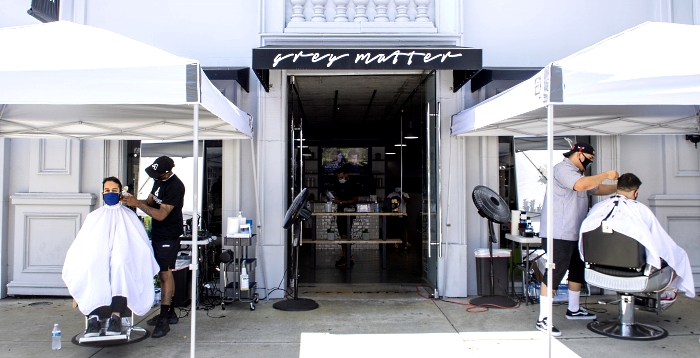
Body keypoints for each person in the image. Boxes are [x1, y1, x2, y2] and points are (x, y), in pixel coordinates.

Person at [537, 142, 618, 336]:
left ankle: (573, 309)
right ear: (579, 154)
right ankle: (543, 319)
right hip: (559, 232)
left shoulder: (580, 174)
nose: (590, 163)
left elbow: (594, 189)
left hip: (575, 232)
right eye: (589, 159)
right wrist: (606, 174)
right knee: (554, 273)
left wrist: (618, 187)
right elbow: (581, 185)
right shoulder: (563, 169)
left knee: (576, 270)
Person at [62, 177, 159, 337]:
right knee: (94, 267)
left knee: (120, 267)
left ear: (121, 193)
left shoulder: (129, 216)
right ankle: (93, 319)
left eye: (114, 191)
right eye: (107, 191)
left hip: (122, 261)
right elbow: (82, 245)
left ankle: (116, 317)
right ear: (102, 193)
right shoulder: (94, 217)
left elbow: (140, 244)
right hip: (98, 260)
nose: (110, 193)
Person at [579, 173, 695, 299]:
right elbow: (660, 241)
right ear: (636, 192)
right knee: (678, 256)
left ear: (618, 187)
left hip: (598, 269)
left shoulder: (599, 208)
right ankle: (667, 294)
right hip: (635, 272)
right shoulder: (641, 210)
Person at [122, 156, 185, 338]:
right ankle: (170, 312)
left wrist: (138, 204)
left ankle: (164, 319)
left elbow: (160, 215)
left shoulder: (175, 186)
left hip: (168, 234)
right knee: (160, 272)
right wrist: (131, 201)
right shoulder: (158, 181)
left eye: (158, 174)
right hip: (157, 234)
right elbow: (150, 202)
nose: (155, 176)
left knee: (166, 274)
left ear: (167, 172)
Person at [330, 165, 358, 268]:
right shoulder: (338, 184)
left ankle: (348, 257)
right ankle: (344, 256)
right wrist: (333, 198)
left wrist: (341, 202)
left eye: (341, 177)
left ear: (346, 174)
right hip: (340, 212)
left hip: (349, 212)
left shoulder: (353, 184)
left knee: (346, 235)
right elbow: (336, 194)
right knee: (342, 235)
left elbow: (355, 199)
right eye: (338, 177)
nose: (339, 179)